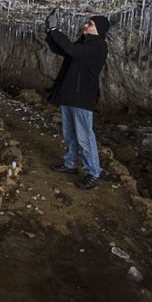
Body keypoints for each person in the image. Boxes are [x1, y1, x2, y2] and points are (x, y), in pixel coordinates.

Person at [45, 10, 110, 189]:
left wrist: (56, 29)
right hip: (70, 95)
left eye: (90, 24)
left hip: (82, 97)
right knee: (70, 133)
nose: (85, 25)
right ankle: (70, 163)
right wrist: (51, 33)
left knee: (84, 136)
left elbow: (72, 50)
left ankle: (93, 172)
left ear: (99, 29)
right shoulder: (85, 43)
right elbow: (64, 50)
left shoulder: (98, 45)